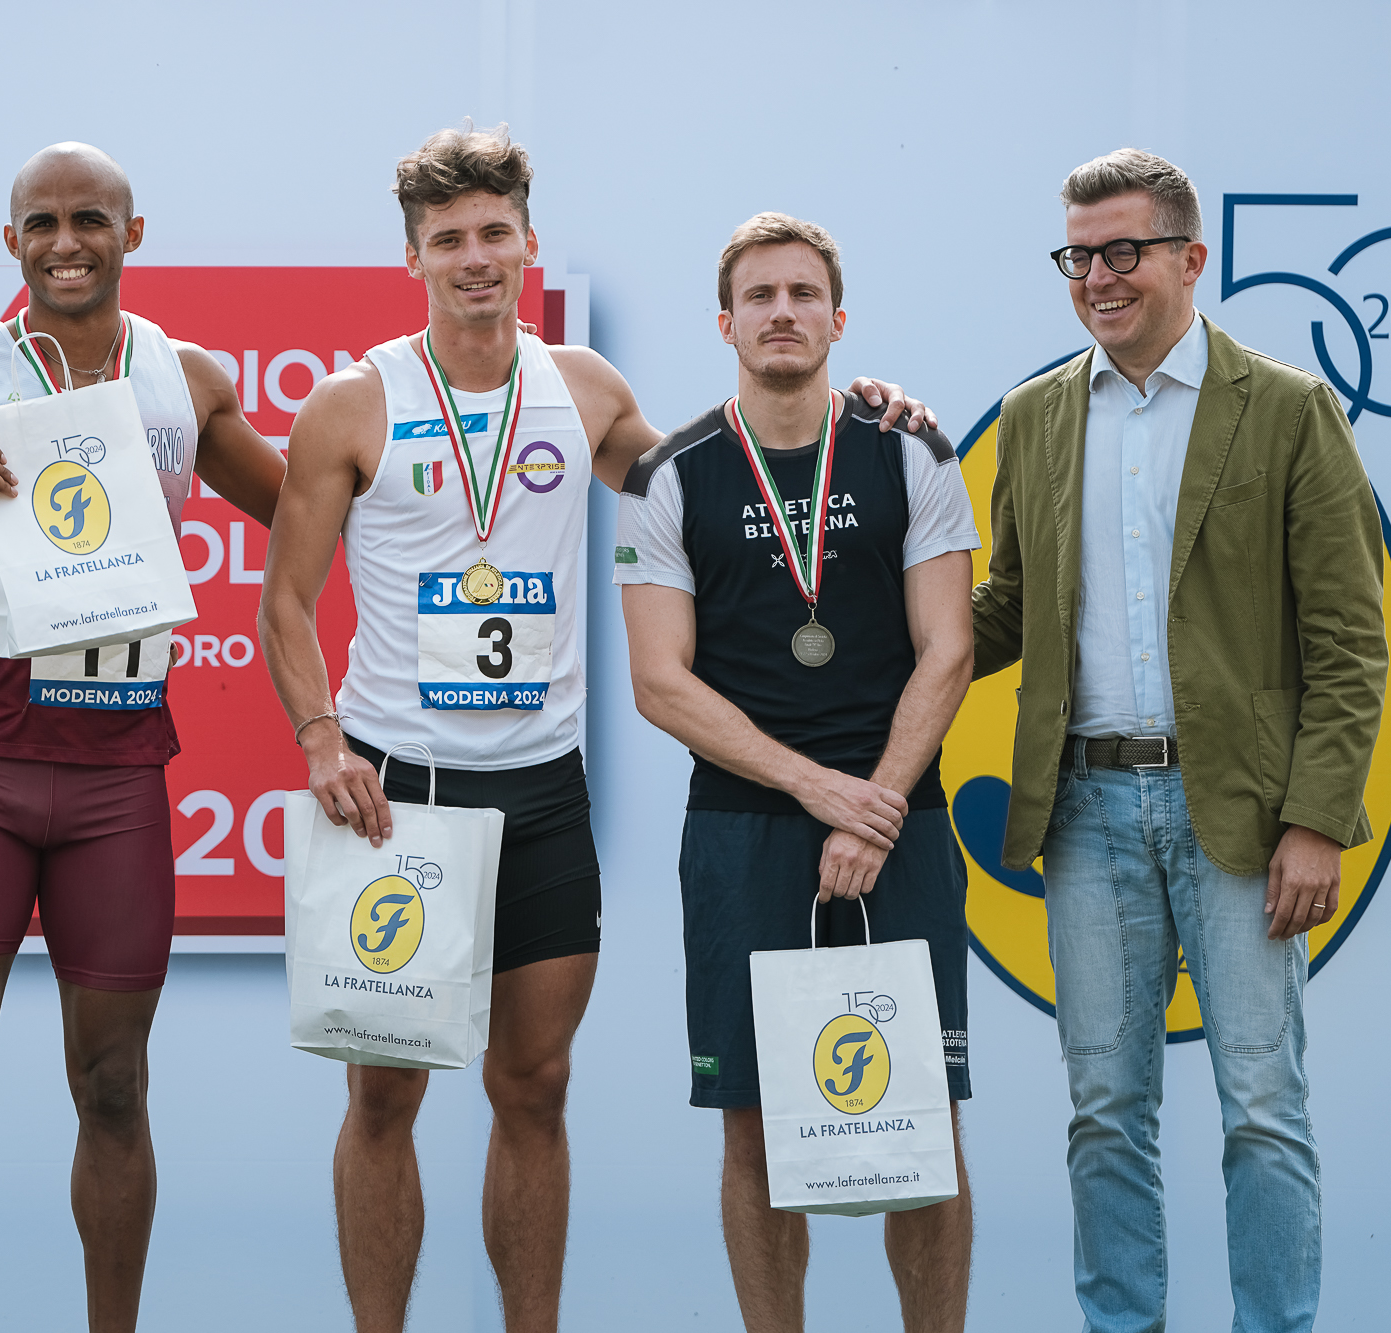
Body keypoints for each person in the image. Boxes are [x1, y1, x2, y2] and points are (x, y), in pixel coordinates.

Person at [256, 125, 939, 1333]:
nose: (475, 257)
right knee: (383, 1099)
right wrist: (320, 737)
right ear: (412, 255)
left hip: (540, 791)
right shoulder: (353, 402)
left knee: (535, 1086)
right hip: (397, 794)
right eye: (448, 239)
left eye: (494, 233)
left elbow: (721, 481)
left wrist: (859, 406)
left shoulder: (582, 389)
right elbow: (283, 601)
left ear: (529, 240)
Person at [970, 148, 1386, 1333]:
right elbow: (1005, 608)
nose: (1095, 278)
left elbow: (1348, 641)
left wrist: (1315, 819)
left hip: (1243, 816)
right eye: (1075, 257)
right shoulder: (1035, 416)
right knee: (1103, 1114)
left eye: (1121, 251)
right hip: (1085, 813)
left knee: (1261, 1108)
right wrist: (865, 618)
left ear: (1190, 258)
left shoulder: (1289, 409)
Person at [0, 143, 285, 1333]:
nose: (67, 244)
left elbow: (305, 504)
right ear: (11, 241)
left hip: (117, 782)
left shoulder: (185, 381)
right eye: (43, 223)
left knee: (113, 1087)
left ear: (131, 232)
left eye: (90, 220)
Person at [615, 213, 979, 1332]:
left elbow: (949, 650)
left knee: (923, 1121)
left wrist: (869, 811)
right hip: (743, 830)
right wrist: (819, 792)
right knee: (754, 1122)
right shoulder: (664, 474)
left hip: (901, 820)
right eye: (759, 296)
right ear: (724, 323)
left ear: (838, 317)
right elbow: (659, 682)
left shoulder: (913, 451)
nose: (782, 312)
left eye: (803, 293)